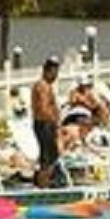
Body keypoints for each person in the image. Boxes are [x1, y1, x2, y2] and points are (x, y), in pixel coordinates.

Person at [31, 57, 63, 187]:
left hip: (46, 124)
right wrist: (55, 121)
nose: (56, 76)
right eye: (55, 73)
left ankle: (43, 182)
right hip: (44, 124)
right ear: (47, 71)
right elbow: (44, 108)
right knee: (48, 157)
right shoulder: (42, 86)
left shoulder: (46, 85)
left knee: (51, 155)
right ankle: (42, 184)